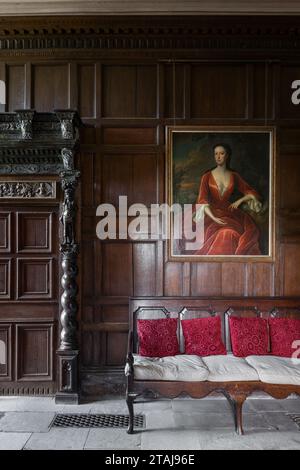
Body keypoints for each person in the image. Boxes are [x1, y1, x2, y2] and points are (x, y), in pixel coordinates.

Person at [193, 143, 262, 255]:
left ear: (227, 156)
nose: (218, 157)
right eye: (216, 154)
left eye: (221, 153)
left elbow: (250, 192)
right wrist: (214, 218)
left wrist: (240, 200)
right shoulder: (206, 176)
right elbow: (202, 200)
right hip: (211, 214)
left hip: (230, 213)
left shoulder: (234, 175)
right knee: (222, 233)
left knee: (231, 233)